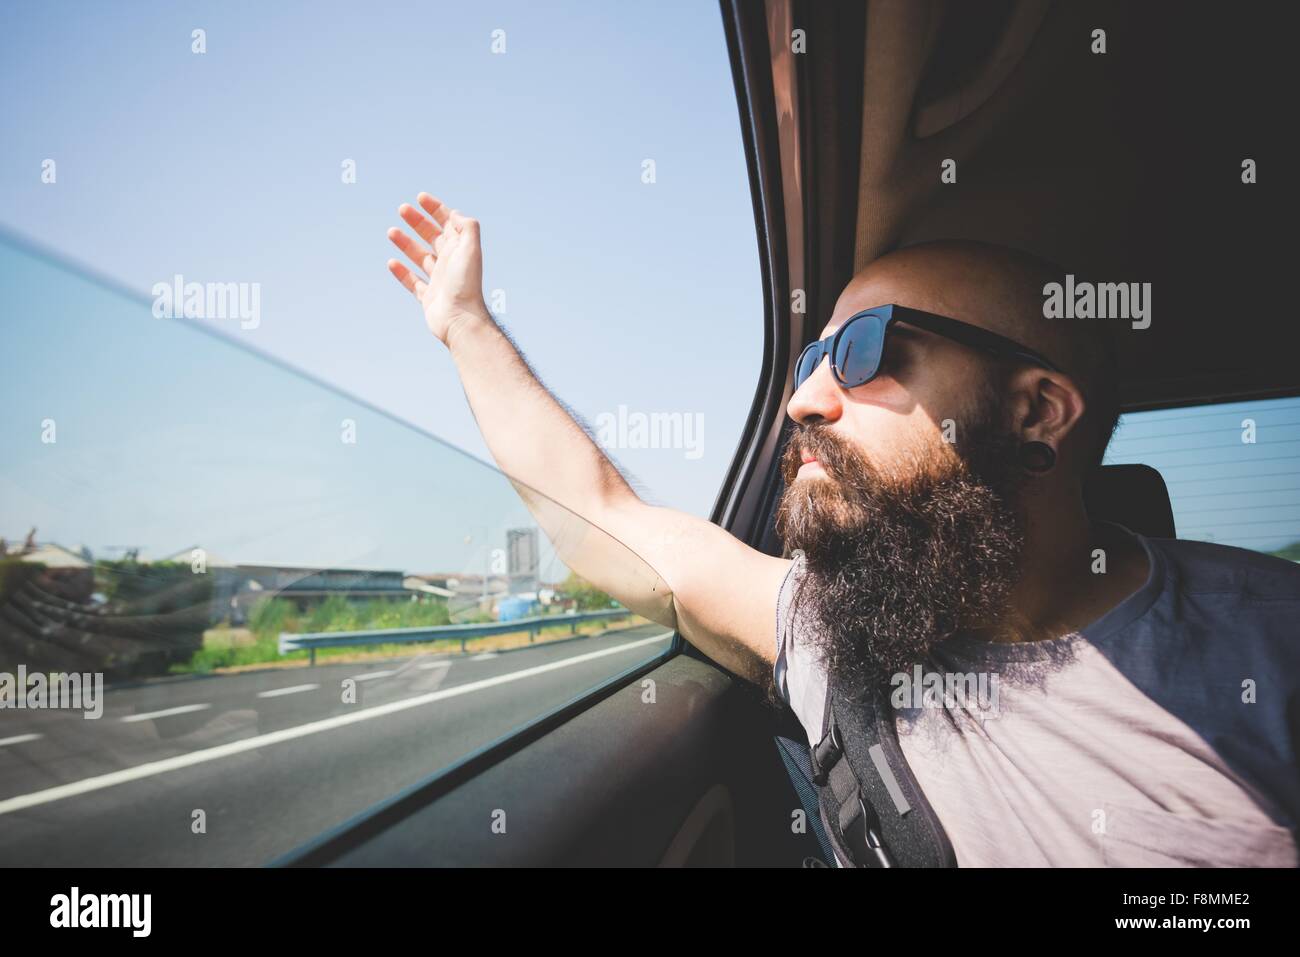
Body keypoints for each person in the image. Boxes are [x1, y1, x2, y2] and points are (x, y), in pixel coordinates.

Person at [386, 193, 1299, 866]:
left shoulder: (1270, 639)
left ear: (1036, 411)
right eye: (813, 356)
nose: (803, 400)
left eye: (864, 350)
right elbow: (608, 518)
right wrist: (465, 325)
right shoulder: (827, 627)